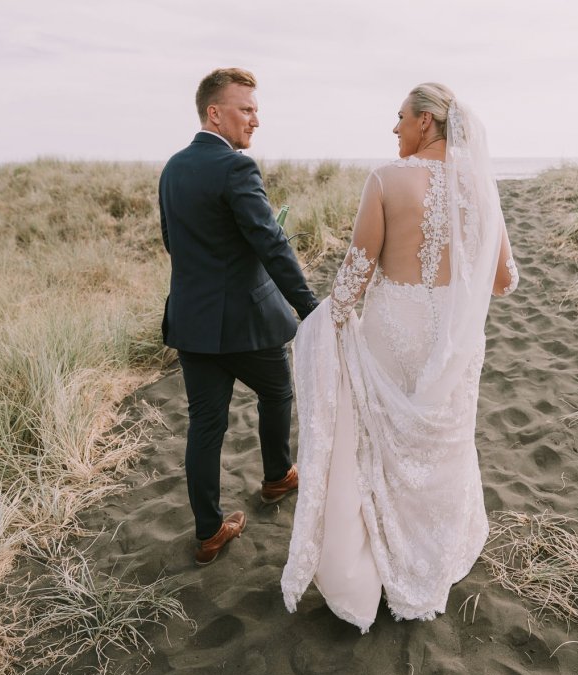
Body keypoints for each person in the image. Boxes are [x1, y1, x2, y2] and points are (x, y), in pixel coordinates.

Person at [281, 83, 519, 631]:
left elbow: (355, 277)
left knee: (384, 445)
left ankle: (387, 561)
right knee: (446, 443)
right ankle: (438, 554)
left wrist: (324, 323)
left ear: (427, 122)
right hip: (455, 343)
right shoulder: (481, 187)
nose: (394, 129)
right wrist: (457, 293)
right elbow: (504, 280)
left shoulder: (386, 181)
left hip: (394, 331)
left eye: (400, 118)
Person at [159, 68, 319, 565]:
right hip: (246, 324)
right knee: (278, 391)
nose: (256, 119)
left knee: (205, 424)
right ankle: (276, 478)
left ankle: (208, 531)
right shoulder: (236, 169)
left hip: (192, 320)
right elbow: (269, 242)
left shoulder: (172, 168)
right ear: (215, 112)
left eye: (255, 109)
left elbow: (174, 242)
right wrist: (309, 306)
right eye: (246, 109)